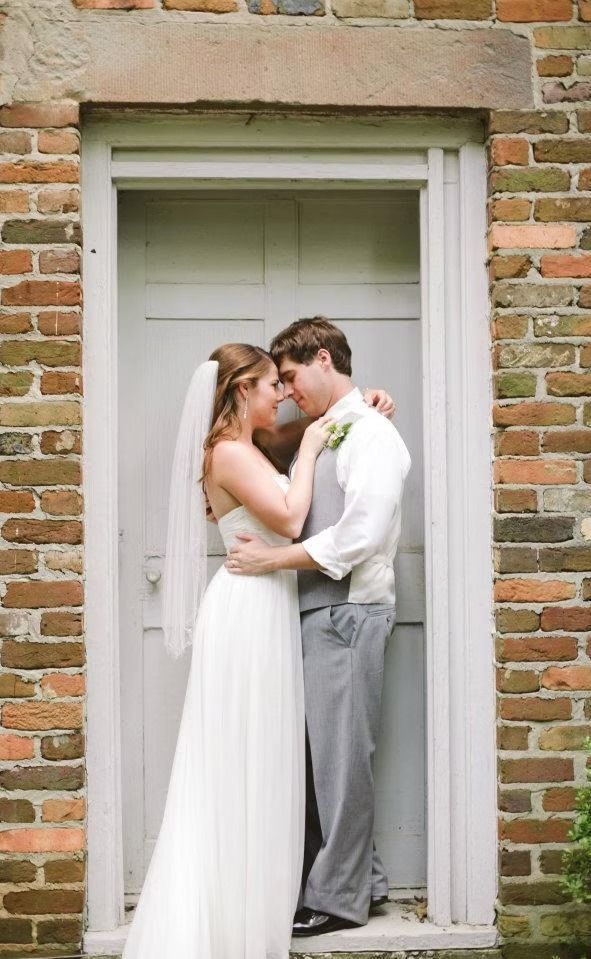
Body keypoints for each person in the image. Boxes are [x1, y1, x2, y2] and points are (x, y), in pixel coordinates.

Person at [122, 343, 334, 959]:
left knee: (259, 753)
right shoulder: (230, 454)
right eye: (272, 384)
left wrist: (353, 411)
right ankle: (224, 925)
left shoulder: (250, 447)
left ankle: (249, 908)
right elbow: (292, 521)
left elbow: (298, 431)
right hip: (246, 612)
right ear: (242, 389)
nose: (281, 394)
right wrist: (315, 449)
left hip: (264, 606)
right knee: (240, 755)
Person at [226, 318, 411, 937]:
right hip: (314, 614)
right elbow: (257, 444)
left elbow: (359, 535)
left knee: (341, 764)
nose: (286, 391)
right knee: (320, 765)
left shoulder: (373, 435)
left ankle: (337, 900)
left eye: (292, 377)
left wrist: (273, 560)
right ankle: (367, 882)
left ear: (323, 359)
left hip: (349, 611)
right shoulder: (321, 432)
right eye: (275, 381)